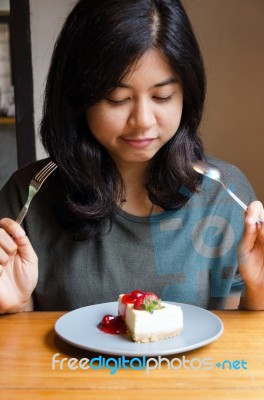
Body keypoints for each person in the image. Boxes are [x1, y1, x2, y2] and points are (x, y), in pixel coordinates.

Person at [0, 0, 263, 314]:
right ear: (78, 96)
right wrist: (16, 306)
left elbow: (237, 345)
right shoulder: (28, 196)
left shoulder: (224, 194)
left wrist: (259, 292)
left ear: (187, 94)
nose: (143, 120)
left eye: (162, 96)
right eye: (117, 98)